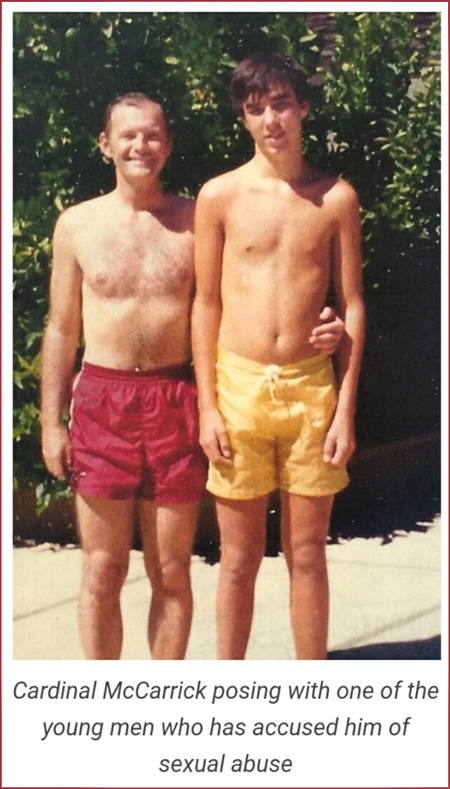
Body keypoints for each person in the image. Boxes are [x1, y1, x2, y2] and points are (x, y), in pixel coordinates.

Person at [40, 91, 344, 661]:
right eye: (128, 135)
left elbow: (258, 288)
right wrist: (51, 423)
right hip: (103, 399)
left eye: (153, 134)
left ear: (169, 144)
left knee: (171, 572)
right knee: (101, 569)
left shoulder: (193, 220)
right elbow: (60, 329)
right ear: (105, 144)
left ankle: (168, 701)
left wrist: (328, 324)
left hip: (176, 397)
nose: (141, 145)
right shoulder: (75, 226)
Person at [192, 52, 365, 660]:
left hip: (311, 390)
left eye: (282, 103)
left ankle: (309, 690)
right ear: (243, 118)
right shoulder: (218, 197)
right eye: (256, 107)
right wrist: (208, 406)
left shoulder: (335, 198)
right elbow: (205, 304)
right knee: (237, 558)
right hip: (237, 389)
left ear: (303, 108)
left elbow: (353, 303)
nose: (271, 119)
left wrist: (345, 406)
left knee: (309, 554)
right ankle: (229, 690)